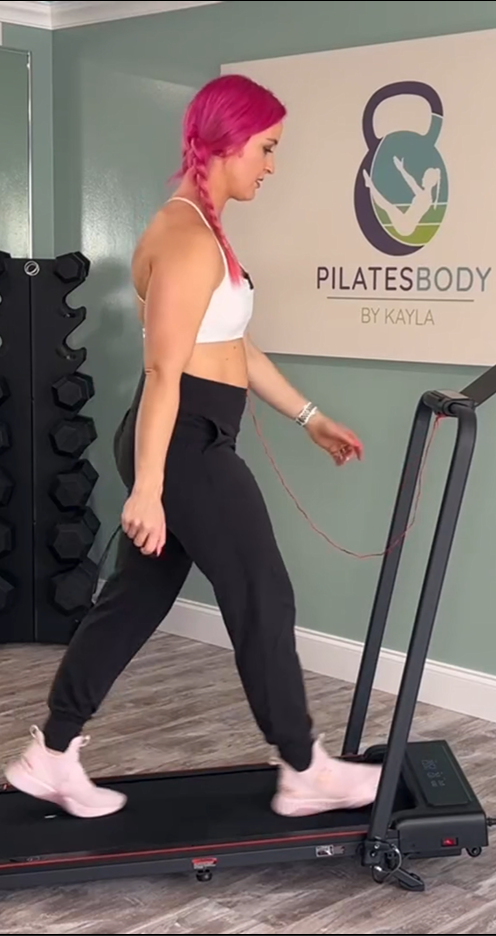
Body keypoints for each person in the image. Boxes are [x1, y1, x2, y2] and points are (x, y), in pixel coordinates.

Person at [4, 74, 381, 820]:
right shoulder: (183, 238)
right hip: (184, 446)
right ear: (229, 143)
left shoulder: (204, 230)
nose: (271, 166)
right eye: (267, 149)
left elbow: (233, 345)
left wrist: (310, 416)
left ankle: (51, 754)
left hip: (185, 439)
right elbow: (162, 372)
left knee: (131, 604)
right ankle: (303, 766)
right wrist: (148, 488)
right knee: (262, 594)